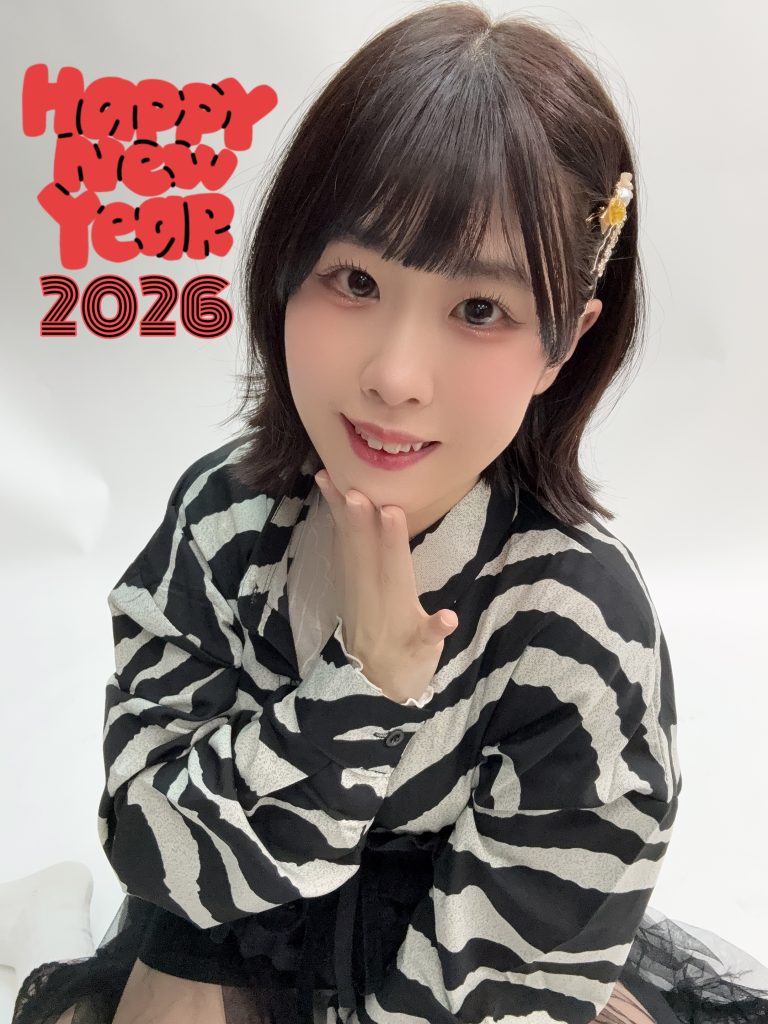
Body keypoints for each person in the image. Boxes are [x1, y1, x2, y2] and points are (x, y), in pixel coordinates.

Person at [5, 2, 768, 1022]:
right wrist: (361, 686)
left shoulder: (578, 625)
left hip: (469, 959)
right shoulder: (223, 525)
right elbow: (154, 846)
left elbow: (509, 973)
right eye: (355, 279)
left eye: (480, 310)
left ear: (565, 340)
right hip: (241, 908)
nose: (396, 376)